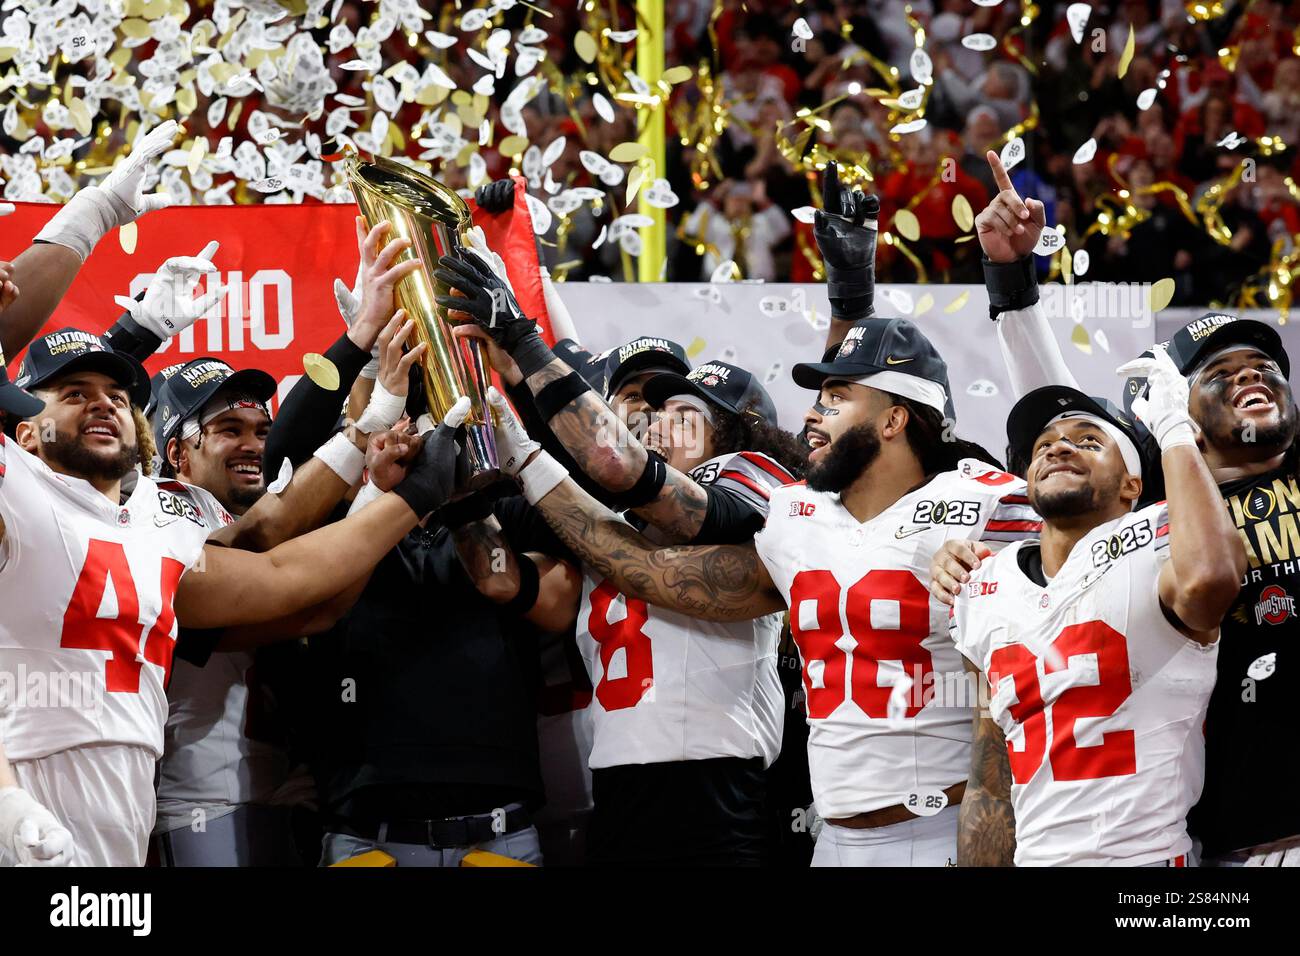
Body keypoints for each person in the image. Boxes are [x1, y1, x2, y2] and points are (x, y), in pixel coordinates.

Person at [0, 327, 469, 866]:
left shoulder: (155, 535)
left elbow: (280, 567)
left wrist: (400, 488)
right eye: (76, 394)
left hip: (130, 796)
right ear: (25, 435)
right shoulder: (21, 491)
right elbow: (273, 547)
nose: (105, 406)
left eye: (119, 398)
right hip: (72, 789)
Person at [954, 150, 1300, 865]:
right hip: (1243, 839)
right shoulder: (1164, 515)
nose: (1251, 378)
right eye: (1222, 374)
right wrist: (1013, 286)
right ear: (1179, 414)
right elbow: (1072, 436)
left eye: (1264, 368)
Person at [438, 243, 808, 865]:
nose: (661, 421)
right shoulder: (610, 523)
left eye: (685, 412)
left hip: (717, 790)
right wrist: (462, 483)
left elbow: (614, 461)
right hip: (613, 787)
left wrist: (529, 349)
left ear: (733, 430)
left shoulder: (754, 475)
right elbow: (503, 576)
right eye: (657, 409)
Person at [945, 368, 1244, 866]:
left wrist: (1172, 427)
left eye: (1088, 440)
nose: (1058, 448)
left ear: (1133, 482)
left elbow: (1209, 581)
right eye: (1044, 444)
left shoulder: (1160, 543)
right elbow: (991, 774)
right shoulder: (981, 586)